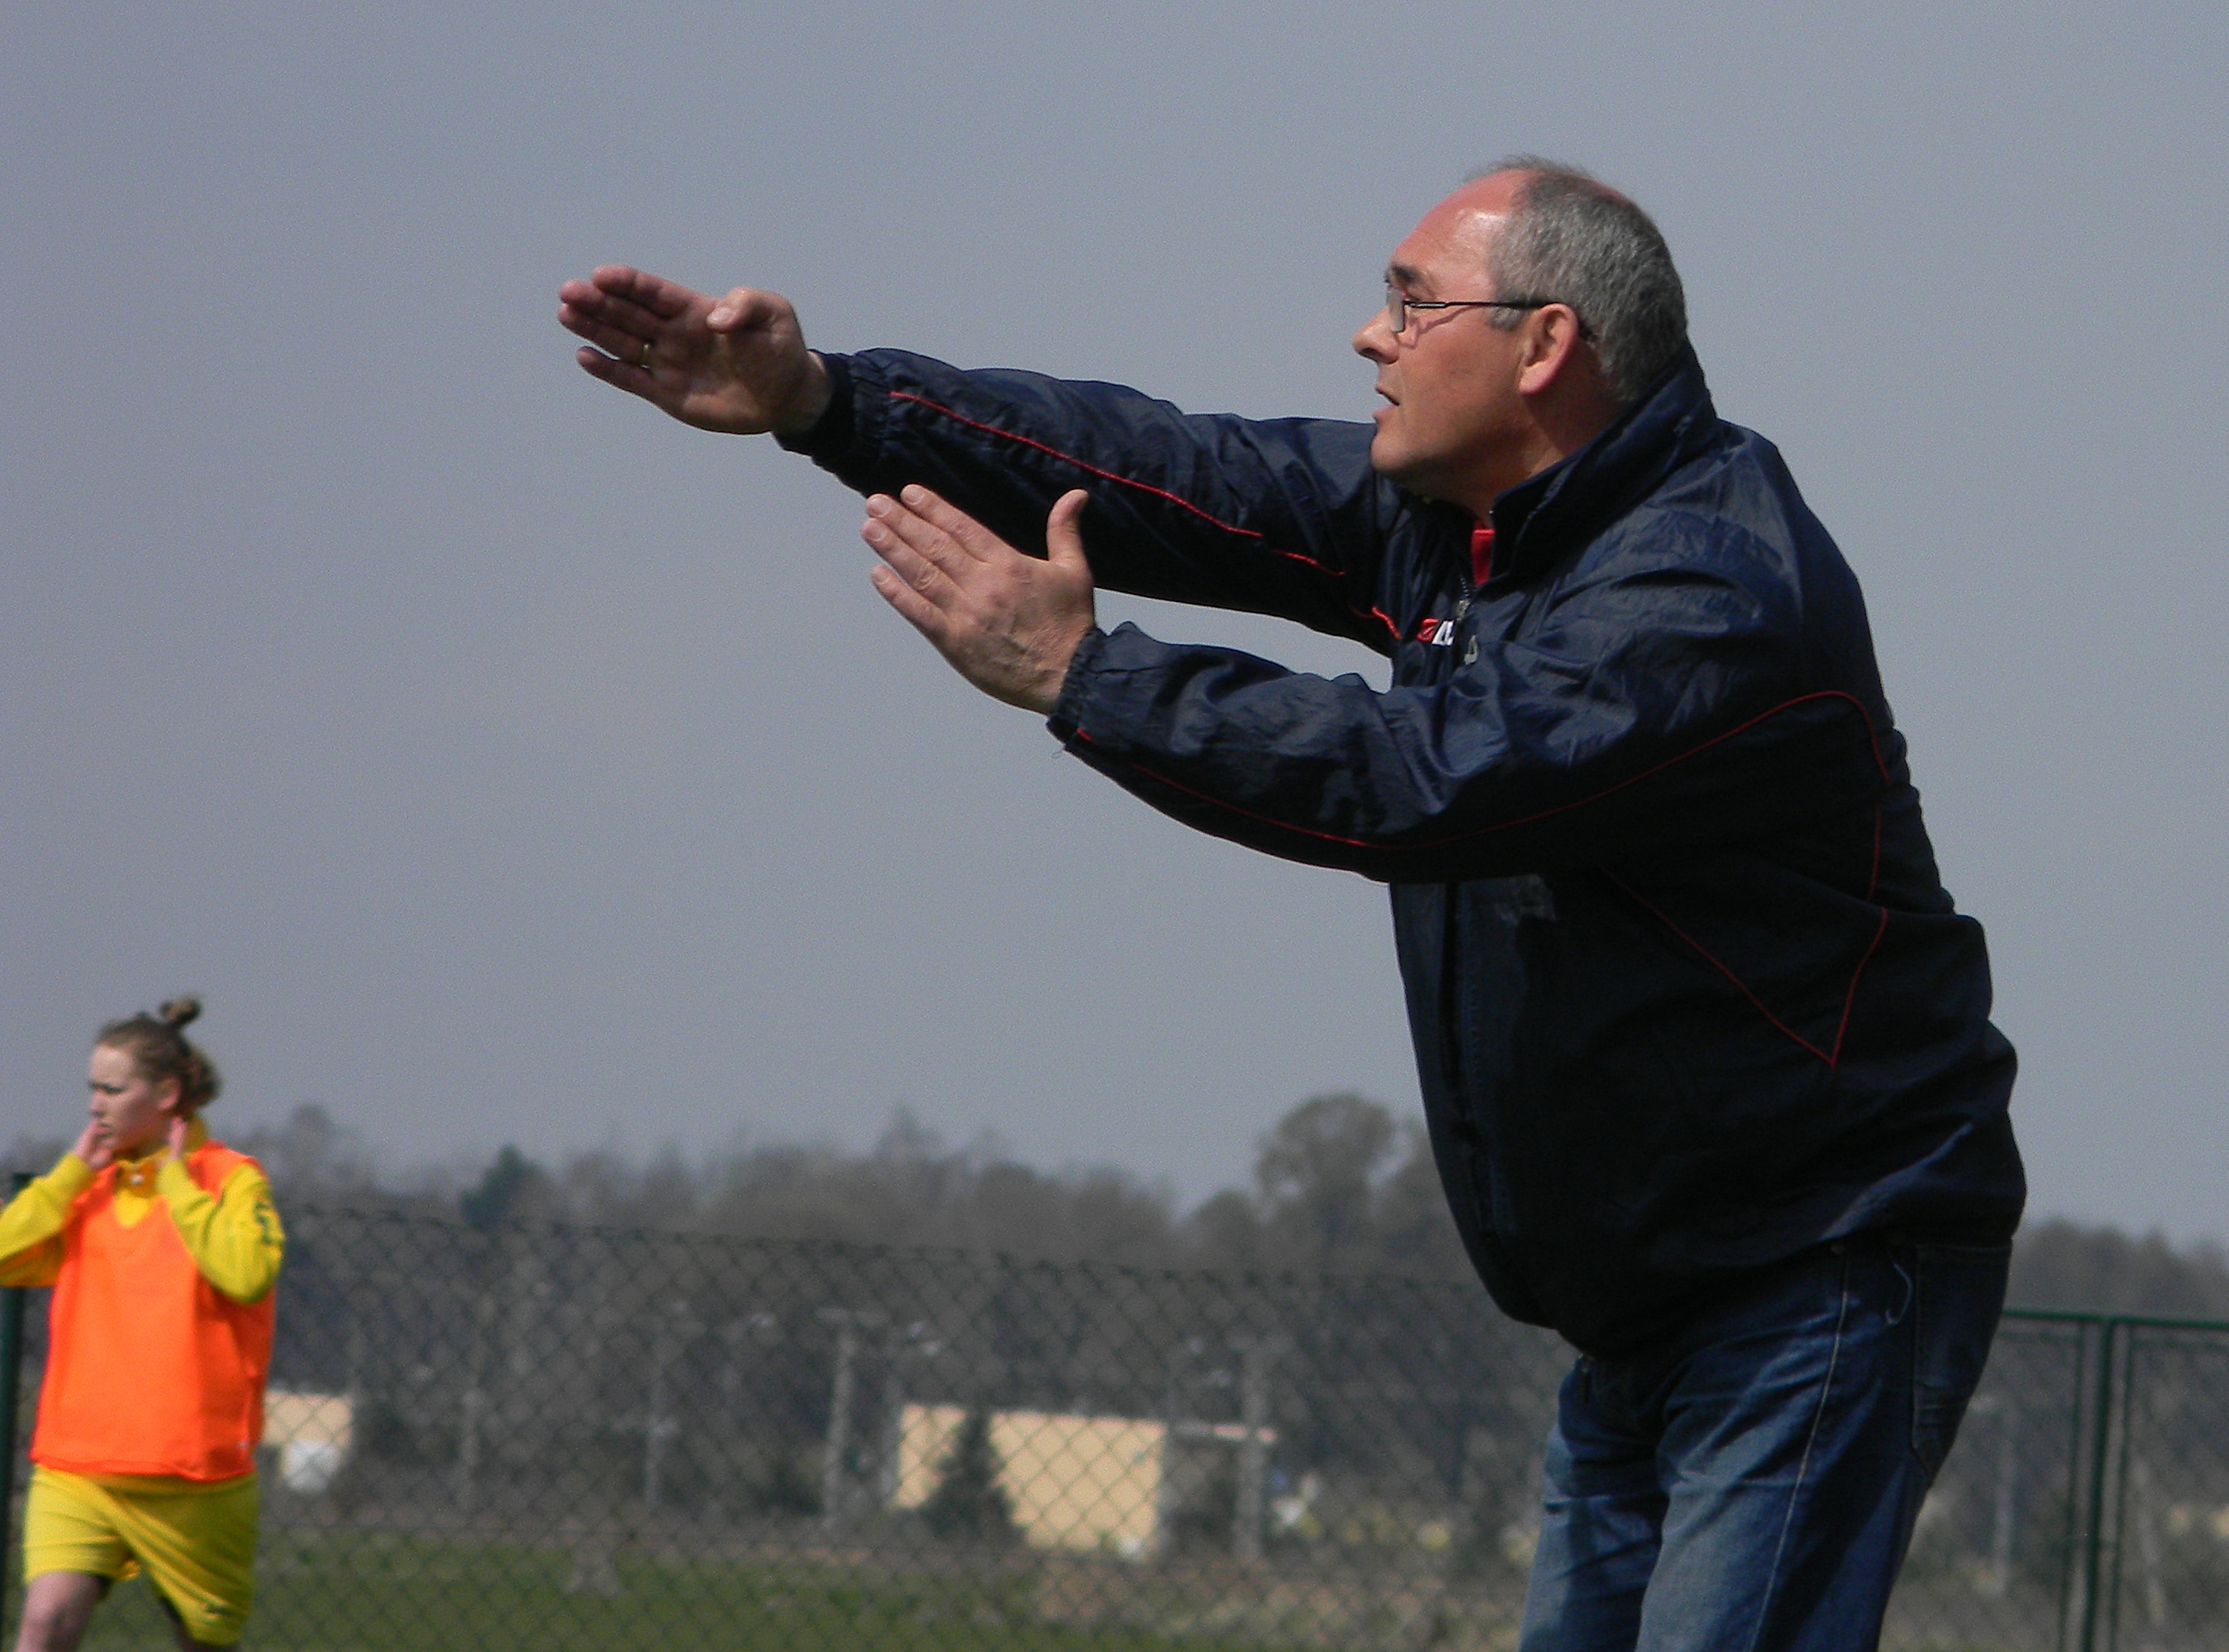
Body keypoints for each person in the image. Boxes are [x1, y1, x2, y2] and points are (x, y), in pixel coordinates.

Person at [559, 158, 2022, 1648]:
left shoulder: (1704, 591)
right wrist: (829, 400)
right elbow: (1177, 471)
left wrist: (1089, 674)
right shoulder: (1464, 519)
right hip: (1652, 1296)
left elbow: (1428, 777)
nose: (1365, 336)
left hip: (1819, 1264)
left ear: (1542, 346)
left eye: (1407, 300)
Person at [0, 999, 284, 1652]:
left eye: (112, 1088)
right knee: (44, 1624)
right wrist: (71, 1172)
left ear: (166, 1094)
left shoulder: (231, 1179)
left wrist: (177, 1185)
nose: (95, 1104)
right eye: (91, 1089)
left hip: (194, 1477)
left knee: (202, 1642)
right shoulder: (89, 1185)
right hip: (79, 1464)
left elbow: (246, 1273)